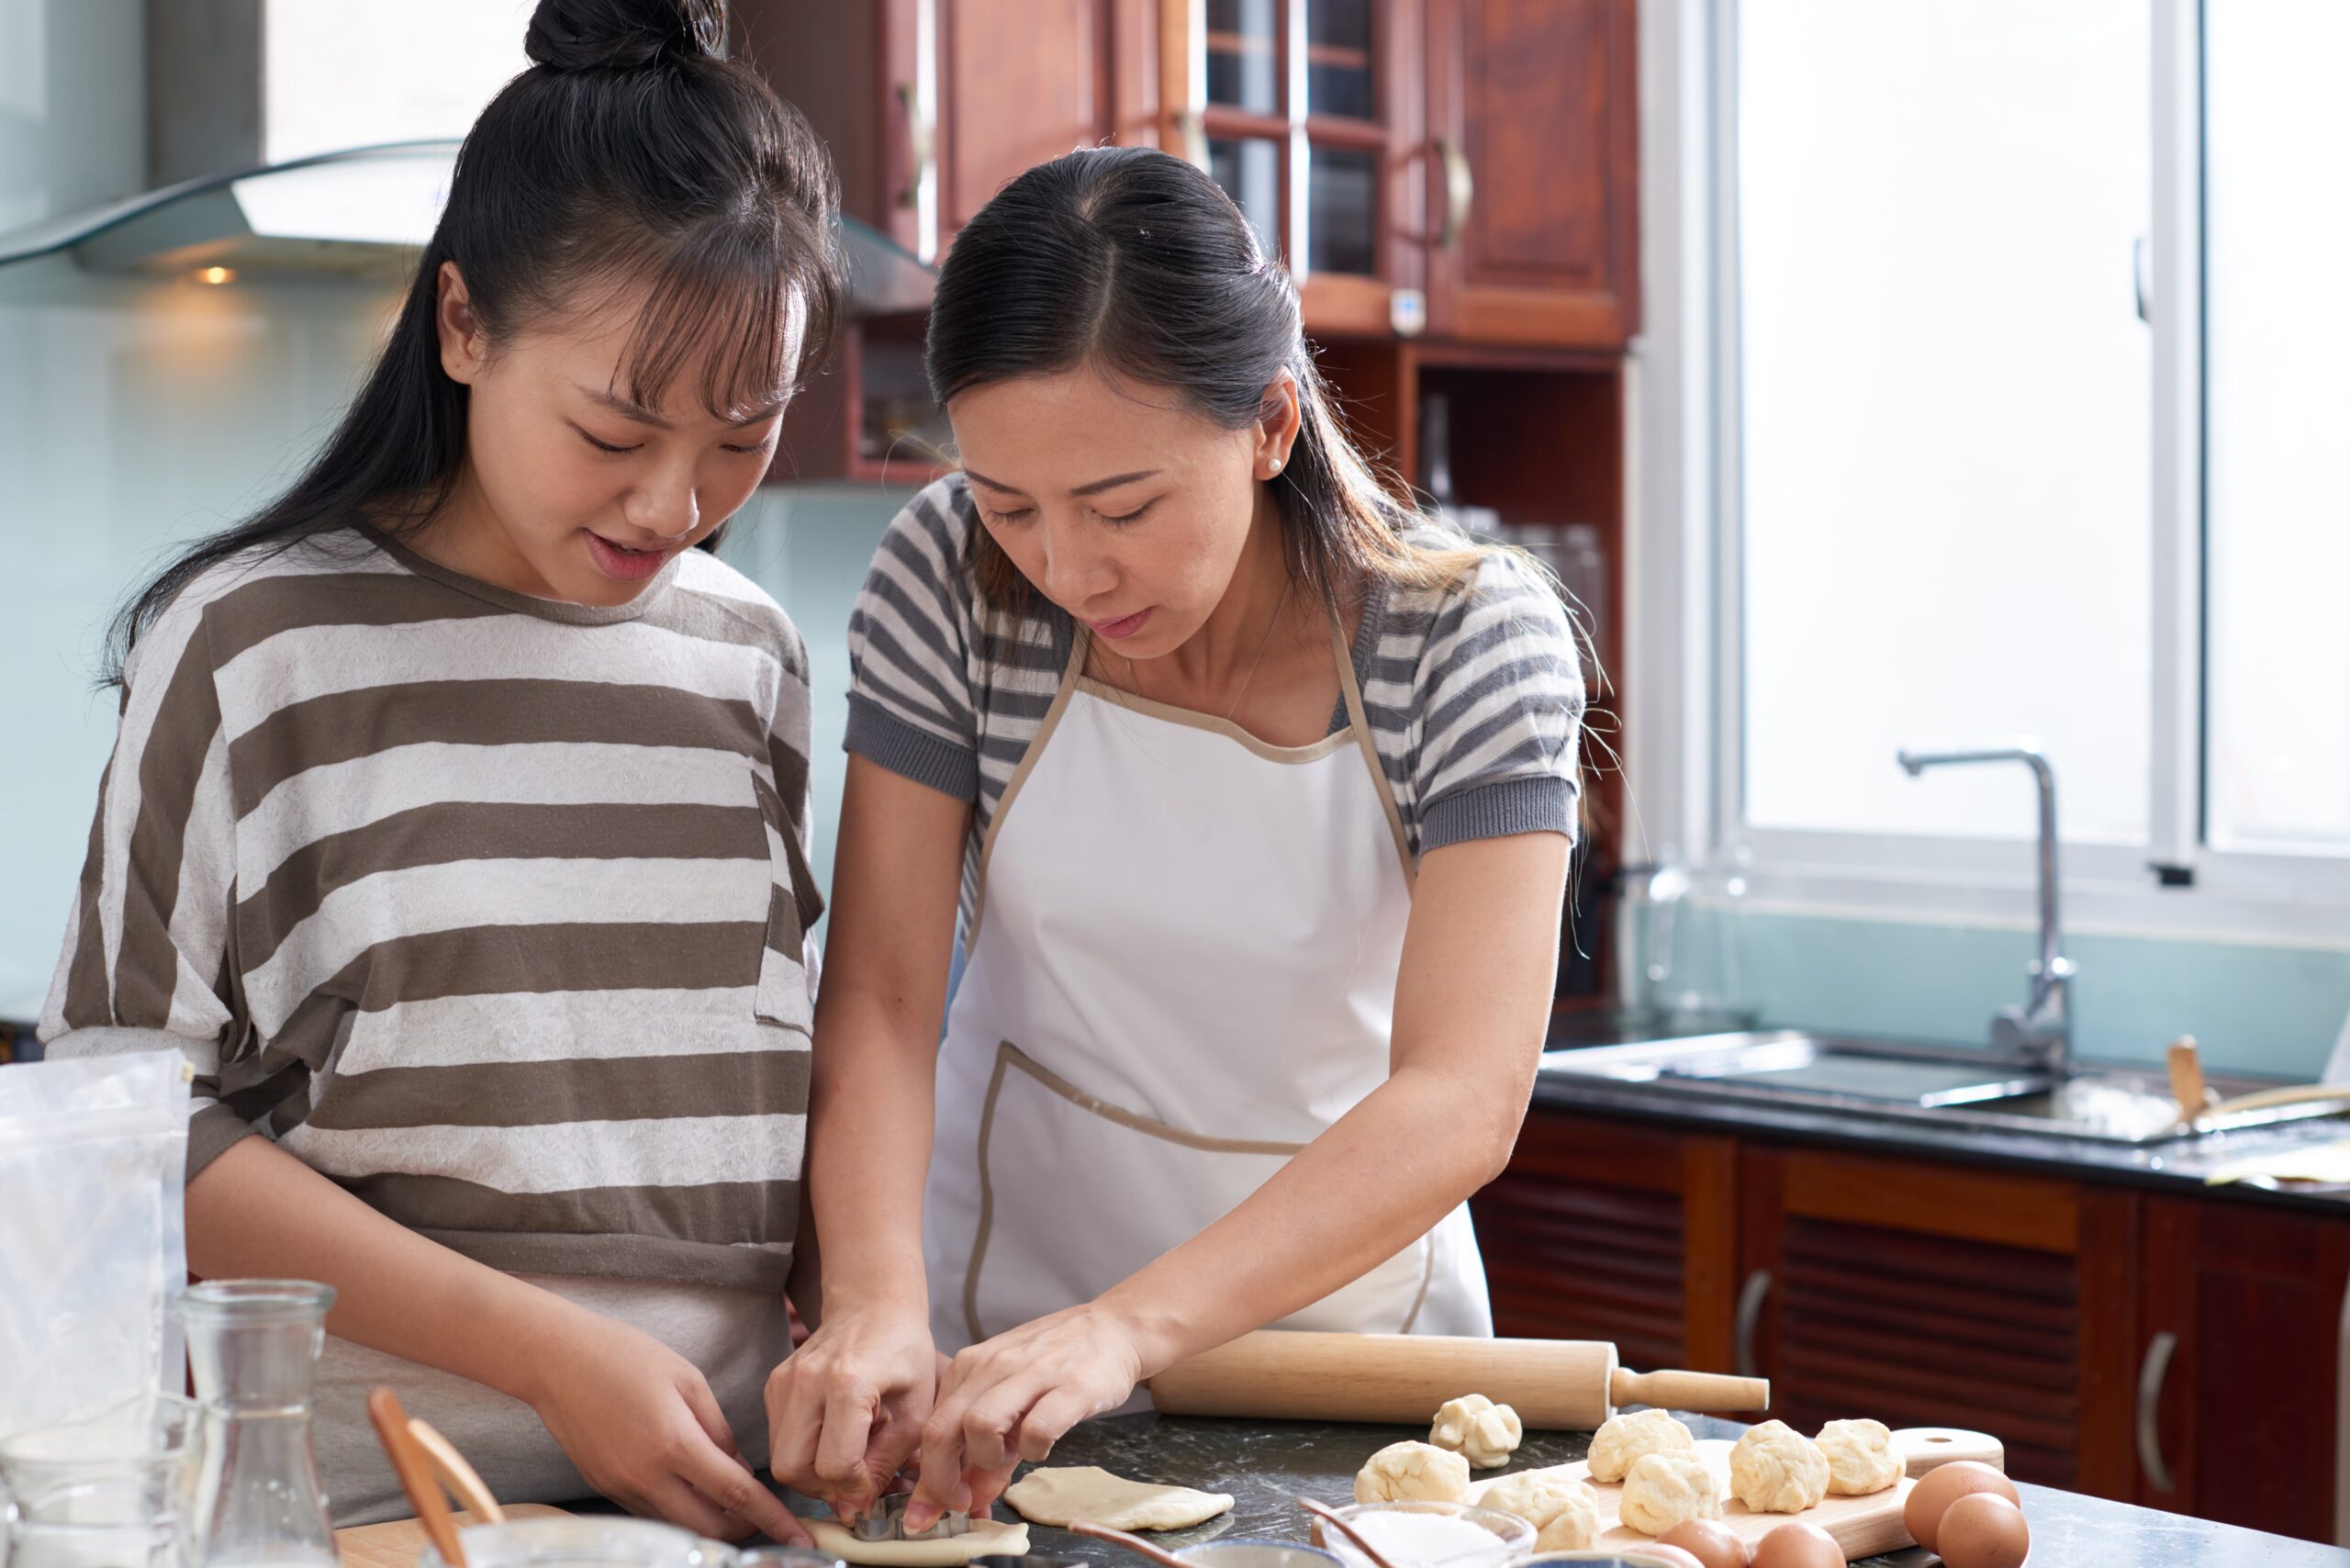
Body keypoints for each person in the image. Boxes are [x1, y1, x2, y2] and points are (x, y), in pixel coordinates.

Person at [40, 0, 840, 1537]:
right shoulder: (253, 642)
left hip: (714, 1505)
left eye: (742, 438)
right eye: (617, 425)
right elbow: (125, 1112)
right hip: (363, 1506)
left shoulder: (751, 654)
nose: (676, 501)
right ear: (464, 325)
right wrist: (548, 1355)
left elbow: (752, 1103)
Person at [766, 146, 1584, 1530]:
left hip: (1340, 1374)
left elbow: (1463, 1094)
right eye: (1009, 502)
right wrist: (871, 1305)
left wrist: (1126, 1331)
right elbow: (889, 997)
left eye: (1123, 506)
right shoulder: (948, 578)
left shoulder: (1467, 640)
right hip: (991, 1362)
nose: (1068, 569)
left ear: (1270, 426)